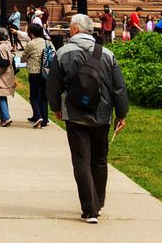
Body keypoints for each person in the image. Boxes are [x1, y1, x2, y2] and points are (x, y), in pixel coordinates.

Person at [47, 13, 129, 225]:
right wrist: (121, 113)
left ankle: (89, 209)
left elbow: (53, 84)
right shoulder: (107, 54)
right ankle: (98, 203)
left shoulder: (63, 52)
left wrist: (56, 107)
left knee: (81, 160)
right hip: (102, 113)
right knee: (100, 160)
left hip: (75, 114)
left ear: (75, 29)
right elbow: (118, 87)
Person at [24, 22, 54, 128]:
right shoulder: (48, 42)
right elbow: (54, 54)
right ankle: (45, 120)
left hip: (34, 72)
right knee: (44, 97)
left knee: (34, 96)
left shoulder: (31, 44)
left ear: (32, 34)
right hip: (46, 72)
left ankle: (38, 116)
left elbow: (23, 57)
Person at [0, 27, 17, 126]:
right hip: (8, 74)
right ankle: (4, 117)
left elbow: (3, 63)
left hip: (3, 74)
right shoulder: (7, 45)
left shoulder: (1, 47)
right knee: (3, 95)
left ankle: (6, 117)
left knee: (1, 96)